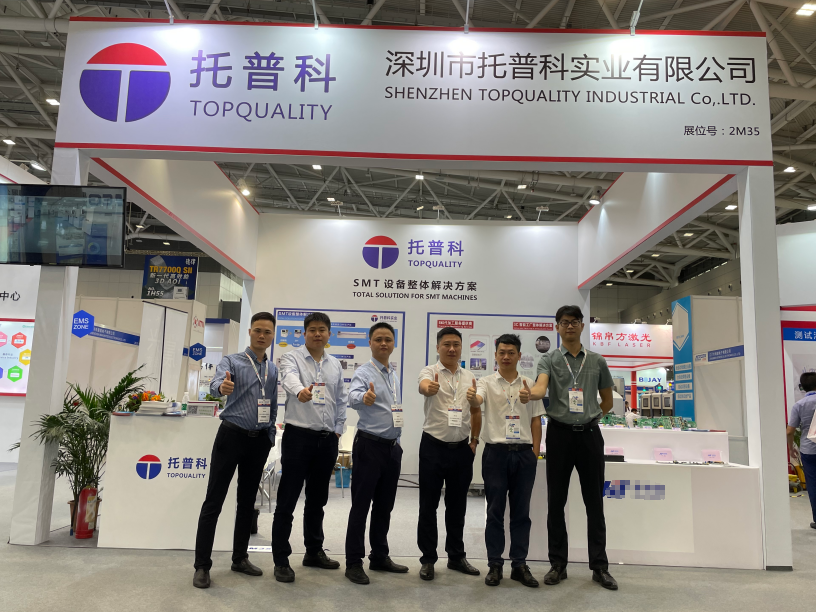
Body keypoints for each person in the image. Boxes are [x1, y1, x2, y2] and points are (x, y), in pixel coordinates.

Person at [527, 305, 617, 591]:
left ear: (581, 326)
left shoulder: (597, 361)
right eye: (564, 322)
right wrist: (532, 393)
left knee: (595, 504)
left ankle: (600, 567)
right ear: (557, 327)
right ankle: (558, 565)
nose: (569, 326)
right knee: (556, 502)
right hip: (559, 436)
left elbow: (607, 401)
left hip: (590, 436)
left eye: (574, 321)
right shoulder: (549, 359)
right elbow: (541, 387)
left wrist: (591, 416)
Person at [193, 312, 278, 589]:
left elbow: (272, 403)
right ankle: (202, 566)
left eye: (267, 331)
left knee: (246, 502)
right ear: (250, 332)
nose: (262, 335)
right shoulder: (232, 361)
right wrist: (222, 387)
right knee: (214, 501)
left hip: (258, 441)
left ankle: (240, 558)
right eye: (258, 330)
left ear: (272, 335)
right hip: (231, 436)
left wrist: (270, 436)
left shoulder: (272, 369)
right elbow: (216, 385)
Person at [271, 312, 347, 582]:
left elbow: (341, 399)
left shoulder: (335, 364)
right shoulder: (291, 357)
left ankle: (313, 551)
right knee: (288, 500)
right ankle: (281, 560)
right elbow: (288, 378)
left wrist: (338, 429)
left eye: (322, 330)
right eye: (312, 329)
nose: (317, 334)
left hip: (327, 440)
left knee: (317, 501)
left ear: (329, 334)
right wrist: (300, 390)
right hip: (298, 438)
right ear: (304, 334)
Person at [471, 334, 545, 588]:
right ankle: (495, 564)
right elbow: (478, 400)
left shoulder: (529, 384)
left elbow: (536, 420)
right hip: (496, 454)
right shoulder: (486, 382)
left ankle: (519, 564)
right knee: (494, 511)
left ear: (519, 356)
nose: (506, 357)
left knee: (521, 513)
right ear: (495, 355)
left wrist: (535, 452)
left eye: (511, 352)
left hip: (524, 454)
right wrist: (472, 398)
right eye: (501, 352)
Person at [416, 327, 482, 581]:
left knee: (457, 506)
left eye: (456, 344)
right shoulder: (429, 372)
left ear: (461, 348)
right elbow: (423, 386)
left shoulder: (470, 377)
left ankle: (456, 556)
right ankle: (428, 559)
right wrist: (428, 388)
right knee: (428, 506)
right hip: (432, 447)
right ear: (438, 347)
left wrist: (474, 440)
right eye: (447, 344)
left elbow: (475, 411)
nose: (452, 349)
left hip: (461, 449)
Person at [344, 321, 407, 584]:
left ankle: (379, 556)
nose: (383, 343)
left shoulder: (392, 373)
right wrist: (363, 398)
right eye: (378, 339)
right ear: (369, 343)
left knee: (384, 506)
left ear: (393, 344)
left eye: (388, 339)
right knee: (361, 506)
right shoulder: (364, 372)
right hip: (370, 446)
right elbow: (352, 396)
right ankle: (353, 562)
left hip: (392, 448)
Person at [787, 371, 816, 530]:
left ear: (803, 387)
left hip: (809, 450)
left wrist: (791, 449)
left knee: (813, 484)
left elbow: (790, 431)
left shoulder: (799, 405)